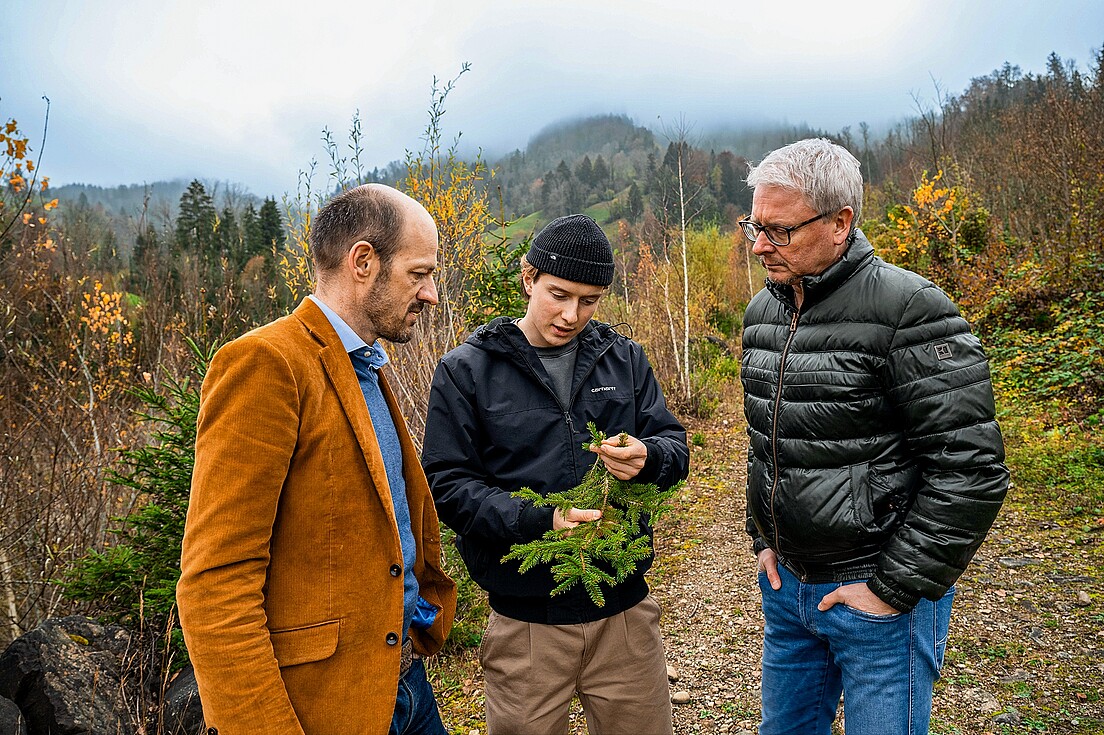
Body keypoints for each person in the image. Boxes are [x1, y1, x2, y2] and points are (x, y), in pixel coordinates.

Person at [738, 138, 1009, 734]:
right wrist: (764, 537)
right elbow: (769, 444)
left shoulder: (910, 309)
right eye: (754, 226)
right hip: (787, 590)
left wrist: (891, 588)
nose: (759, 245)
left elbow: (971, 469)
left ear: (840, 223)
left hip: (878, 600)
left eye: (779, 231)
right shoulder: (763, 313)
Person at [177, 184, 457, 735]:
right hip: (325, 706)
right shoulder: (267, 363)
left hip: (405, 686)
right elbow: (215, 582)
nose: (430, 295)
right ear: (363, 261)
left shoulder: (364, 364)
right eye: (419, 274)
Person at [422, 214, 688, 735]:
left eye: (589, 301)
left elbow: (673, 447)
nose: (571, 315)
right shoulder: (467, 370)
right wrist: (540, 520)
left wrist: (649, 457)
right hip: (525, 628)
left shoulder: (623, 359)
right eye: (559, 295)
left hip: (625, 618)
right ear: (529, 278)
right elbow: (448, 487)